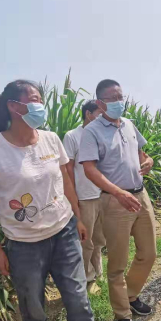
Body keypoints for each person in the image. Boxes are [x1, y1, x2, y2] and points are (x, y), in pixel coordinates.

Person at [0, 80, 95, 321]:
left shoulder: (51, 139)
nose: (39, 105)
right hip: (24, 245)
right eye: (33, 99)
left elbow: (65, 181)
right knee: (34, 313)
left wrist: (78, 217)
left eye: (40, 99)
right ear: (13, 106)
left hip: (64, 233)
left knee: (79, 303)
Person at [79, 79, 156, 321]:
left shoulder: (130, 125)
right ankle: (122, 315)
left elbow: (142, 154)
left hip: (140, 195)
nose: (118, 102)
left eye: (120, 96)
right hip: (114, 201)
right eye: (112, 98)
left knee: (148, 253)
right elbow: (89, 169)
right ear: (99, 103)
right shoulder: (92, 131)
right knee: (117, 264)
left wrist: (148, 161)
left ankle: (130, 295)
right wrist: (118, 192)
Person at [63, 100, 106, 294]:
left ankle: (98, 271)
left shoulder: (102, 134)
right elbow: (68, 169)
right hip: (85, 196)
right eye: (99, 113)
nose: (103, 116)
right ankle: (87, 277)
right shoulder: (72, 136)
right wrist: (73, 197)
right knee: (85, 241)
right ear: (88, 114)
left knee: (99, 239)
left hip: (102, 194)